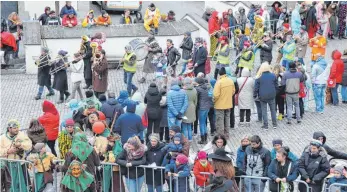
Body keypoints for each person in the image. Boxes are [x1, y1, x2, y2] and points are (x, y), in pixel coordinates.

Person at [0, 119, 32, 191]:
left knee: (23, 183)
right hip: (8, 165)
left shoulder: (21, 135)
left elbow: (29, 144)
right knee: (11, 184)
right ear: (9, 129)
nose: (17, 129)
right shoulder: (2, 138)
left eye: (17, 127)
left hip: (21, 163)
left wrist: (21, 145)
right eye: (14, 128)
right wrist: (8, 151)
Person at [254, 62, 278, 129]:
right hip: (272, 95)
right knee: (273, 110)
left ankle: (265, 125)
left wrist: (255, 95)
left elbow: (256, 88)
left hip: (262, 96)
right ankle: (274, 124)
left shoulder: (259, 77)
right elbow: (276, 86)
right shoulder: (273, 75)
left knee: (264, 110)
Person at [213, 67, 235, 138]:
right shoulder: (230, 81)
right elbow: (233, 91)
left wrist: (214, 101)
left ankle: (221, 136)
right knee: (227, 119)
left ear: (219, 74)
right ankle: (227, 134)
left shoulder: (219, 82)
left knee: (220, 121)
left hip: (220, 105)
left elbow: (216, 95)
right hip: (228, 104)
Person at [195, 77, 213, 144]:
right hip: (207, 107)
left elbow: (196, 98)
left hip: (201, 107)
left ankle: (203, 139)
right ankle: (205, 137)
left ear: (198, 82)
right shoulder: (206, 87)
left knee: (201, 123)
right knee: (204, 123)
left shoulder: (198, 89)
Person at [181, 77, 197, 142]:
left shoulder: (183, 91)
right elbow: (196, 101)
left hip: (185, 109)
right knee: (190, 125)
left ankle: (186, 140)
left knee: (185, 126)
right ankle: (190, 139)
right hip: (192, 107)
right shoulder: (194, 90)